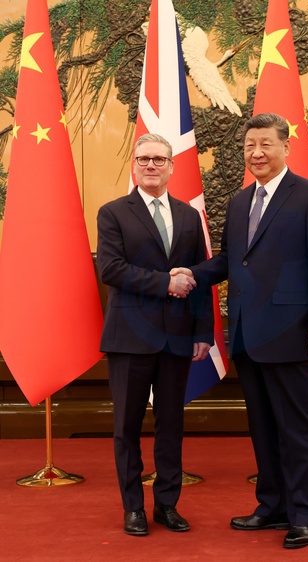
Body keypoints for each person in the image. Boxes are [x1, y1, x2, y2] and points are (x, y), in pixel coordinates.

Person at [173, 113, 308, 549]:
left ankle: (304, 515)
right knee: (263, 427)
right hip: (248, 334)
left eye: (266, 144)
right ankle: (272, 506)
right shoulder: (239, 202)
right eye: (250, 146)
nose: (257, 153)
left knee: (298, 429)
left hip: (295, 332)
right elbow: (230, 260)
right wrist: (190, 274)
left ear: (286, 146)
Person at [97, 133, 213, 536]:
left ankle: (167, 504)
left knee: (171, 426)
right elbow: (110, 269)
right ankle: (133, 507)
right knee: (127, 427)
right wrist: (165, 283)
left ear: (171, 166)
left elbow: (200, 276)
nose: (151, 165)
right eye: (144, 159)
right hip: (129, 338)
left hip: (177, 338)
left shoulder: (188, 216)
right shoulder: (113, 212)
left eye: (159, 159)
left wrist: (203, 332)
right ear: (134, 165)